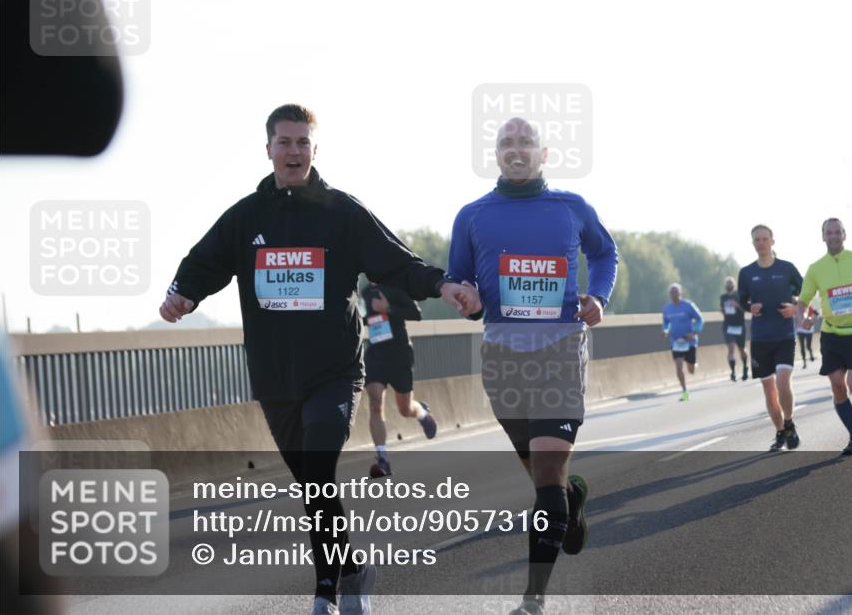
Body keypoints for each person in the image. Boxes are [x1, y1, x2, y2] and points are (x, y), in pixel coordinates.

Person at [160, 104, 480, 615]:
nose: (293, 152)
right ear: (267, 150)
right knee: (314, 487)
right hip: (273, 377)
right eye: (283, 143)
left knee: (315, 469)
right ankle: (352, 570)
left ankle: (325, 592)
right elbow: (204, 262)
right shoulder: (247, 217)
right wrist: (182, 295)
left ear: (315, 149)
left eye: (302, 143)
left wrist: (443, 284)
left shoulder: (341, 212)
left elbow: (396, 261)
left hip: (334, 371)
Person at [447, 117, 618, 615]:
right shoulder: (472, 216)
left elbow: (605, 255)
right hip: (502, 357)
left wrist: (599, 298)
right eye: (506, 144)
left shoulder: (571, 207)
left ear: (544, 154)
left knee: (546, 473)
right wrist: (467, 297)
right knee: (543, 475)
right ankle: (571, 500)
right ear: (495, 155)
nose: (515, 150)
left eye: (525, 143)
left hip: (561, 350)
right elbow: (459, 277)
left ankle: (533, 600)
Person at [797, 218, 852, 456]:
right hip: (832, 334)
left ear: (844, 235)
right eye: (828, 233)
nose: (833, 236)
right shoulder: (815, 268)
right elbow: (803, 299)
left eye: (837, 232)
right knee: (837, 386)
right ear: (822, 237)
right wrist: (800, 317)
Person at [360, 282, 437, 478]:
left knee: (405, 409)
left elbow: (416, 314)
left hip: (399, 354)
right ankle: (383, 459)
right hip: (376, 354)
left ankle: (422, 413)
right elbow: (369, 318)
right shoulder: (366, 291)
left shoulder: (397, 287)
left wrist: (388, 309)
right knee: (375, 403)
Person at [737, 224, 803, 451]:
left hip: (784, 336)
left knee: (783, 382)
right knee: (769, 389)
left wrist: (795, 309)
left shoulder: (787, 268)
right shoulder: (746, 273)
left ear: (773, 241)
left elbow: (805, 294)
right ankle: (779, 432)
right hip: (760, 339)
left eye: (765, 239)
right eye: (757, 240)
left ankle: (789, 422)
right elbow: (742, 301)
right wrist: (750, 307)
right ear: (753, 243)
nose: (761, 243)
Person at [662, 283, 704, 402]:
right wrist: (665, 331)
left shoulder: (688, 306)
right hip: (676, 341)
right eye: (672, 292)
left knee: (691, 370)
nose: (674, 294)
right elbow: (666, 322)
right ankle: (684, 391)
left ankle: (693, 363)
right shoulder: (667, 308)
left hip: (689, 341)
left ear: (680, 293)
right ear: (669, 294)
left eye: (676, 291)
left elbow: (700, 319)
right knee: (678, 366)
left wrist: (694, 332)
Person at [719, 276, 749, 381]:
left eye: (731, 283)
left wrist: (737, 305)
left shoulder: (739, 295)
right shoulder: (723, 297)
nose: (729, 285)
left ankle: (745, 367)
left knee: (742, 349)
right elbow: (722, 309)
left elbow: (746, 308)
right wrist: (722, 310)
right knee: (731, 348)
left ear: (734, 285)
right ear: (725, 286)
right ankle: (733, 372)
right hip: (728, 325)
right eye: (727, 284)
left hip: (740, 325)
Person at [796, 304, 817, 368]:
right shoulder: (797, 307)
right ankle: (804, 362)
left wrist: (811, 322)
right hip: (800, 330)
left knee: (808, 346)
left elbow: (816, 315)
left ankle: (811, 355)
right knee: (802, 347)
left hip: (808, 330)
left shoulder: (810, 307)